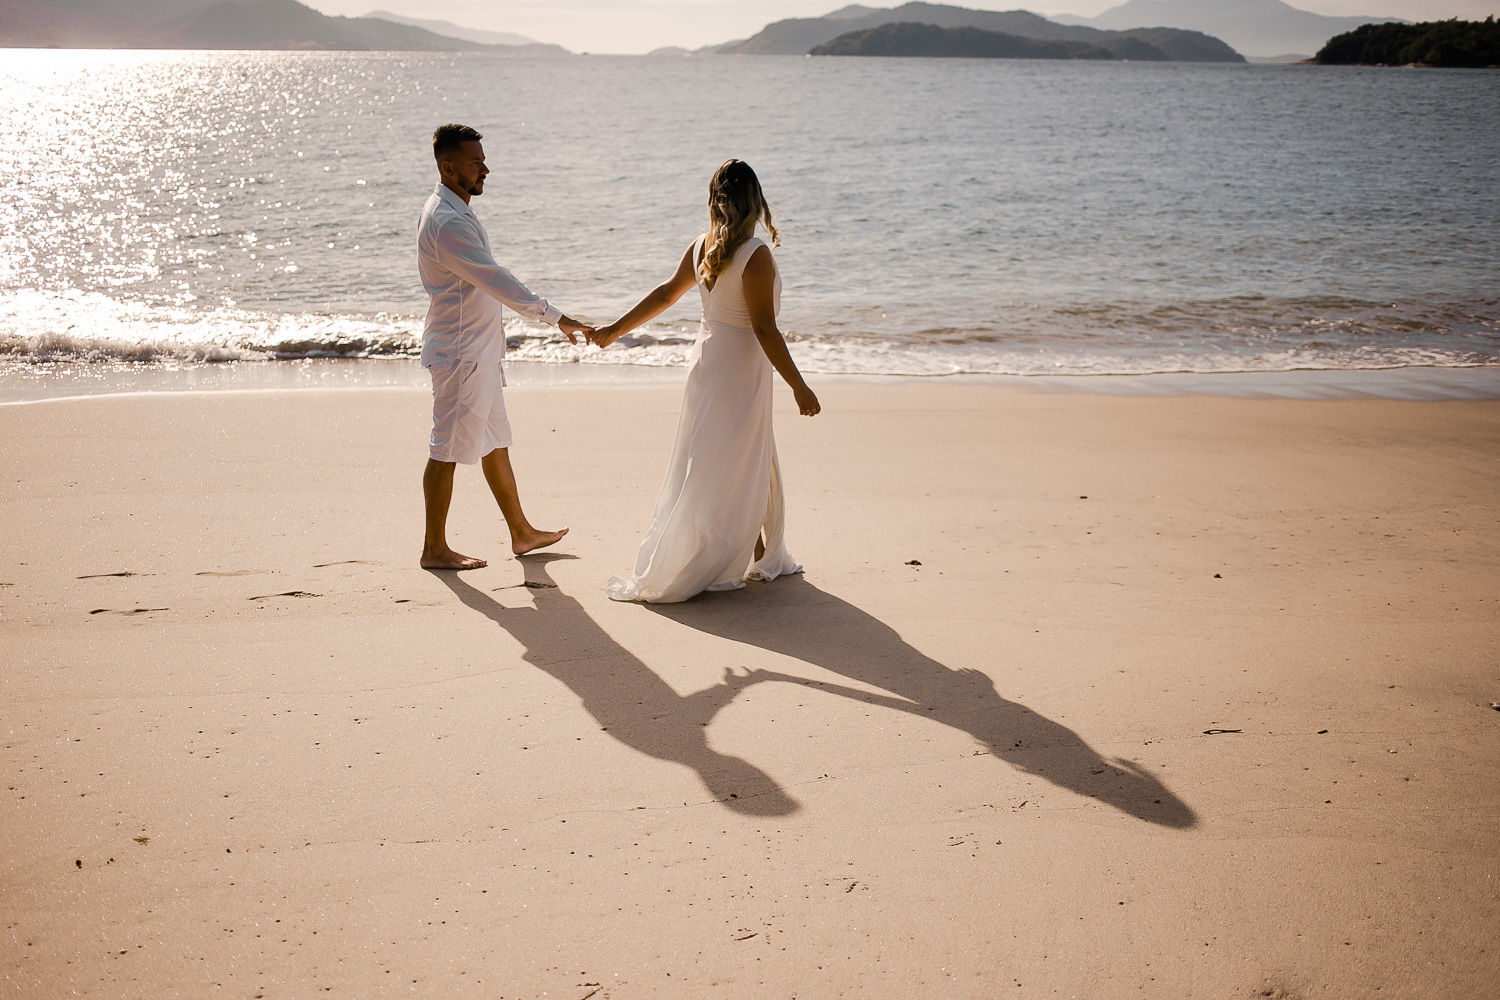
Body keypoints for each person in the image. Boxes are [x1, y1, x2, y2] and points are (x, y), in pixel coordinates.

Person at [592, 159, 820, 603]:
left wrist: (614, 331)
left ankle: (753, 549)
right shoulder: (754, 254)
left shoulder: (702, 245)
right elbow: (764, 328)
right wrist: (798, 385)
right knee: (734, 460)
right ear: (755, 200)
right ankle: (727, 554)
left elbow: (665, 294)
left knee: (718, 460)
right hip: (738, 369)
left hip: (707, 362)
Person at [417, 123, 592, 570]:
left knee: (495, 442)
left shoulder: (454, 211)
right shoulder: (448, 221)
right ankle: (434, 548)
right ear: (448, 167)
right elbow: (497, 281)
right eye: (476, 162)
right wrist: (555, 317)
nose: (486, 169)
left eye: (483, 160)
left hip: (477, 353)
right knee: (446, 449)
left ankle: (521, 532)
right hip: (461, 355)